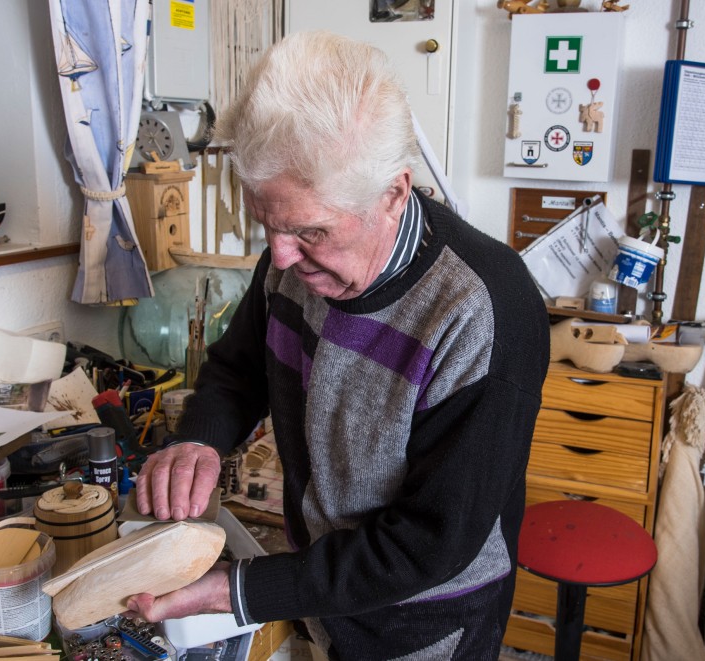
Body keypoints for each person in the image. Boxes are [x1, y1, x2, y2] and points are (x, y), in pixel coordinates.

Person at [129, 30, 549, 660]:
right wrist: (201, 439)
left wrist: (240, 590)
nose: (279, 256)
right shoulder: (292, 255)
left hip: (427, 620)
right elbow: (239, 368)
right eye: (267, 225)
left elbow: (430, 543)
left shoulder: (482, 309)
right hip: (322, 581)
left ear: (394, 194)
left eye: (311, 231)